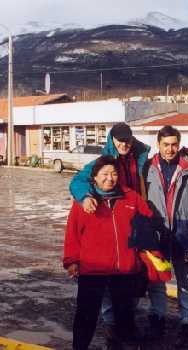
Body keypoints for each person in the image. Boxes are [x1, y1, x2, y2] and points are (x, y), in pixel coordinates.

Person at [69, 122, 150, 346]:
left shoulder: (140, 155)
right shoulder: (101, 162)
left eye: (128, 140)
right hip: (96, 255)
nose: (124, 144)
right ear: (111, 140)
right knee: (89, 310)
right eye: (120, 140)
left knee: (127, 301)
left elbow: (145, 208)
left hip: (127, 240)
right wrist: (85, 196)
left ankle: (122, 334)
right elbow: (76, 182)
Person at [143, 125, 188, 339]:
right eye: (166, 145)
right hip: (158, 235)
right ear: (158, 145)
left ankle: (187, 320)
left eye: (174, 144)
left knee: (186, 282)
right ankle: (158, 318)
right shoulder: (147, 169)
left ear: (179, 145)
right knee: (157, 280)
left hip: (184, 234)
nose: (170, 149)